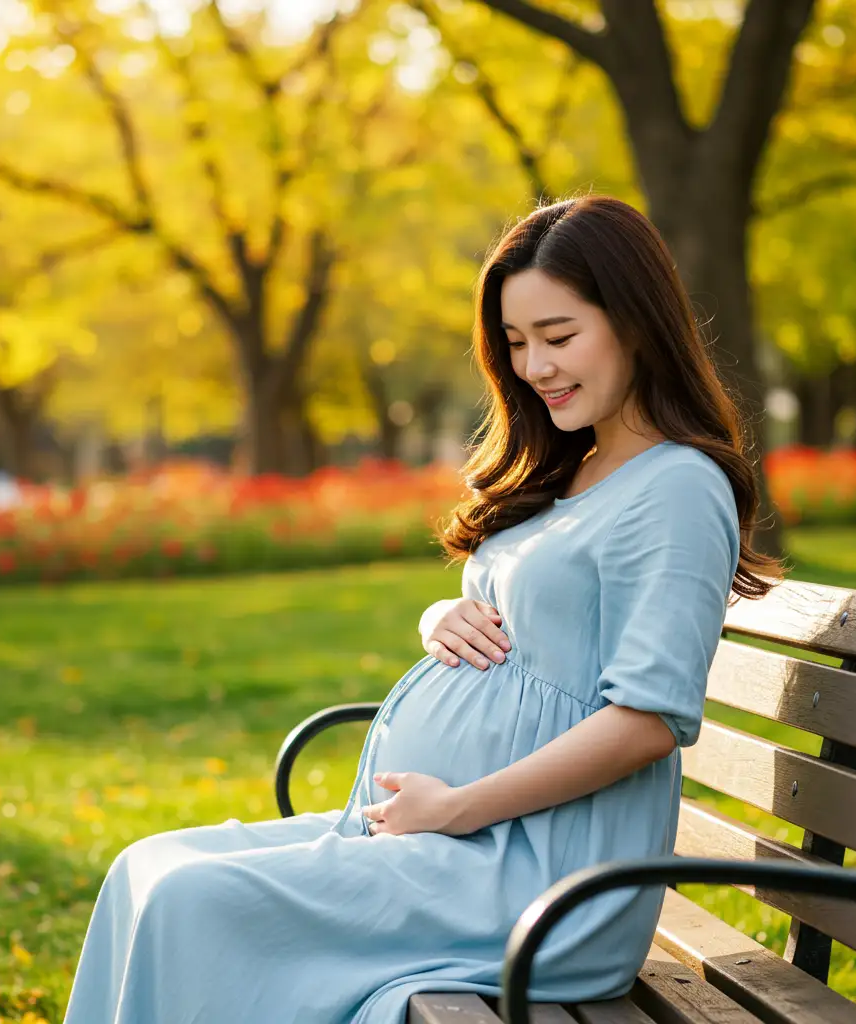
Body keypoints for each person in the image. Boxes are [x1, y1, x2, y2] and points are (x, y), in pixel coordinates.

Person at [62, 195, 785, 1024]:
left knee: (192, 902)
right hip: (460, 846)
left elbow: (649, 722)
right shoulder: (577, 466)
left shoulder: (678, 487)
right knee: (144, 868)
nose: (535, 367)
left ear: (636, 323)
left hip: (541, 876)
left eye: (558, 336)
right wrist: (437, 622)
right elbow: (530, 614)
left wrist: (455, 808)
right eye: (515, 344)